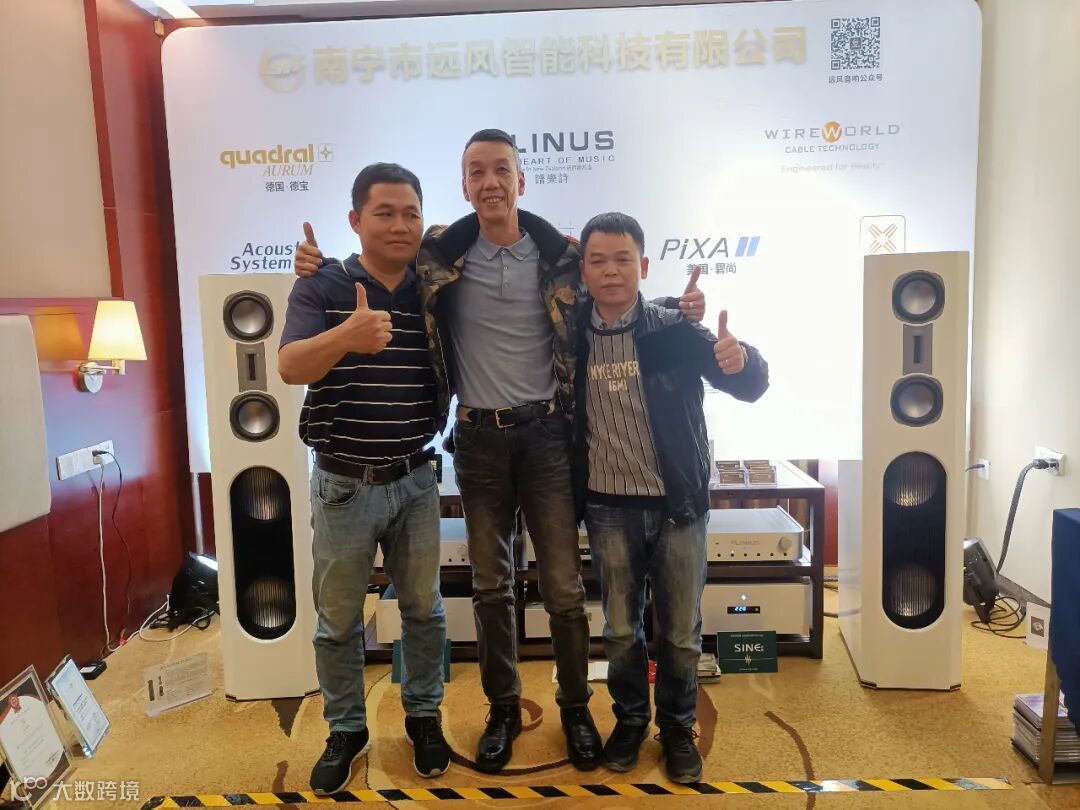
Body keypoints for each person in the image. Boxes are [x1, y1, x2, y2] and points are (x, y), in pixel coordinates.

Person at [294, 129, 707, 773]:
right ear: (464, 187)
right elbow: (379, 255)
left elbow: (615, 288)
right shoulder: (440, 255)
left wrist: (679, 309)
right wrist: (315, 265)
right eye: (477, 172)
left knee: (564, 589)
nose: (490, 182)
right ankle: (504, 708)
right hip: (478, 440)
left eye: (502, 170)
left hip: (547, 439)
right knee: (492, 589)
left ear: (521, 180)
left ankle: (574, 708)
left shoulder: (562, 255)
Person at [572, 212, 769, 782]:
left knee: (681, 633)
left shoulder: (671, 329)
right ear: (582, 270)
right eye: (598, 260)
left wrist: (741, 359)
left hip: (677, 506)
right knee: (619, 630)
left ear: (643, 265)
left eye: (622, 259)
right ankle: (631, 719)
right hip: (608, 508)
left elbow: (748, 385)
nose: (611, 271)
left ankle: (678, 727)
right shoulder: (570, 334)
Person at [278, 163, 451, 794]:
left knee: (424, 612)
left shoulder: (434, 286)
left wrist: (562, 250)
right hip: (343, 484)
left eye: (410, 213)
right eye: (384, 213)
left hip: (416, 478)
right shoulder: (323, 284)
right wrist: (346, 335)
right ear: (355, 220)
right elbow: (290, 366)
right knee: (338, 620)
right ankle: (346, 729)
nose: (399, 225)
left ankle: (424, 717)